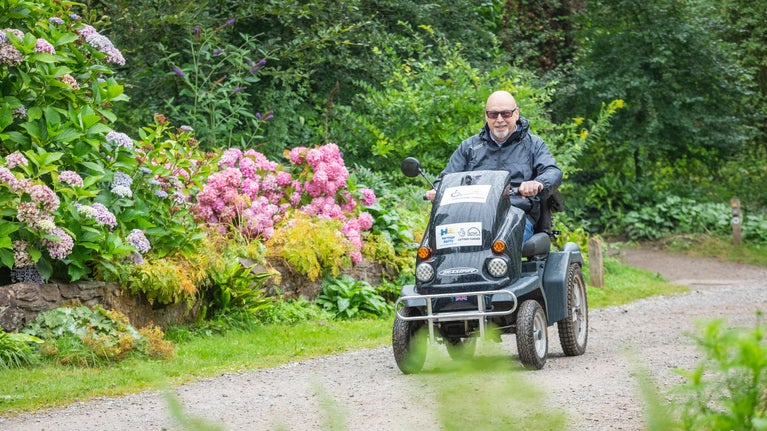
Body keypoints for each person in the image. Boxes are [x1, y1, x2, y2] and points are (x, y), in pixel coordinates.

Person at [425, 90, 562, 244]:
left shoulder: (533, 145)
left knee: (496, 244)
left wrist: (538, 183)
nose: (499, 120)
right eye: (493, 114)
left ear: (516, 113)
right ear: (486, 115)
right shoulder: (469, 147)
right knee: (438, 244)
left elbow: (552, 171)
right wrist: (436, 190)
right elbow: (447, 178)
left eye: (505, 114)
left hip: (516, 215)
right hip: (473, 217)